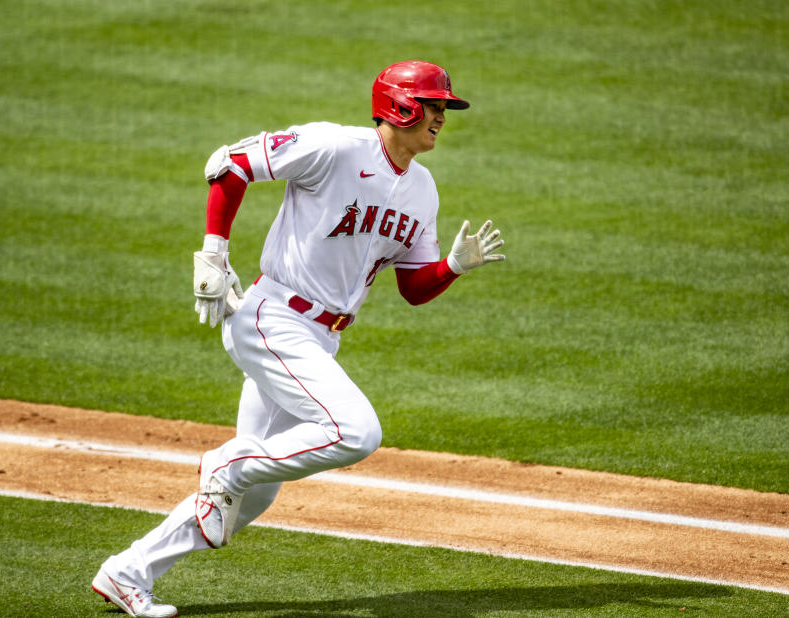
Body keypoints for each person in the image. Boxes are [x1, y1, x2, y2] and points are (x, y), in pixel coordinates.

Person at [91, 60, 505, 618]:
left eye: (443, 109)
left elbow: (413, 288)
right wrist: (213, 251)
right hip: (273, 317)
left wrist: (452, 266)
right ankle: (227, 467)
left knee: (251, 498)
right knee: (356, 431)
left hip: (321, 338)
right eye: (434, 106)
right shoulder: (335, 148)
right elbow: (230, 163)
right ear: (401, 106)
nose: (441, 118)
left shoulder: (423, 190)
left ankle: (126, 572)